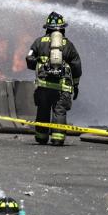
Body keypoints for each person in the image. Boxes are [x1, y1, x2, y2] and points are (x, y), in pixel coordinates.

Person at [25, 12, 82, 146]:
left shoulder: (39, 42)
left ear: (47, 28)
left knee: (43, 110)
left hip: (43, 86)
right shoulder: (68, 45)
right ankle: (58, 138)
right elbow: (76, 66)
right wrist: (76, 85)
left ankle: (41, 137)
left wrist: (40, 63)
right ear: (62, 28)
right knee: (59, 111)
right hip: (62, 88)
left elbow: (29, 60)